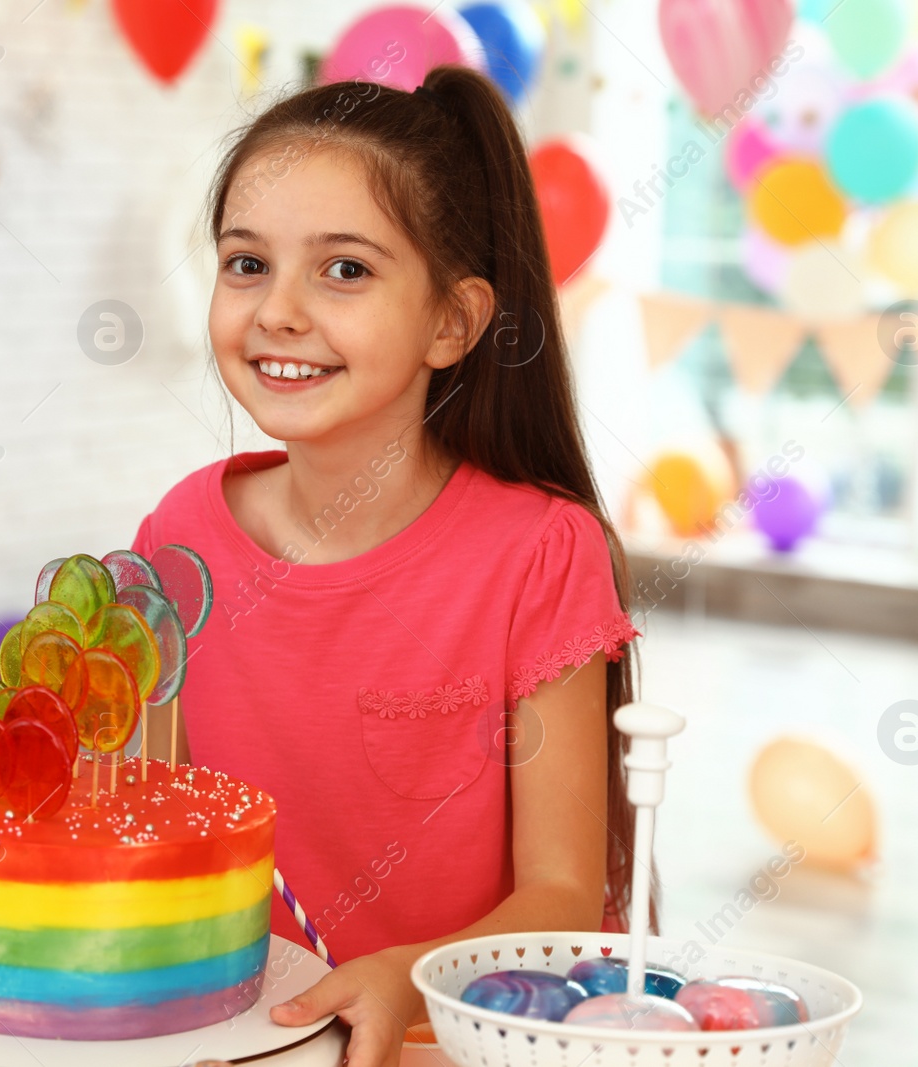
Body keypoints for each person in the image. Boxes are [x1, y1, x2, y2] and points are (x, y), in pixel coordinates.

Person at [133, 65, 641, 1067]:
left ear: (451, 322)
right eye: (246, 263)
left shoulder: (539, 554)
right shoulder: (176, 540)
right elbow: (159, 833)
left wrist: (404, 979)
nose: (277, 310)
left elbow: (559, 896)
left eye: (345, 270)